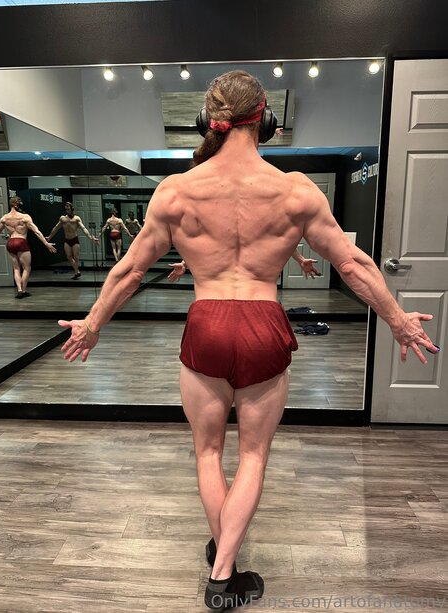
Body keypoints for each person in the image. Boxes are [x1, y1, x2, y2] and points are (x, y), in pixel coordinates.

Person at [59, 70, 438, 611]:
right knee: (254, 455)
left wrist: (93, 324)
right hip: (263, 323)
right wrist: (398, 320)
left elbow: (129, 271)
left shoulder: (176, 191)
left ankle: (225, 560)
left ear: (205, 121)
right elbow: (352, 263)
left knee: (208, 452)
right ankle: (223, 575)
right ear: (267, 120)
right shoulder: (296, 190)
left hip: (207, 323)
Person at [0, 196, 56, 298]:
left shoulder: (4, 218)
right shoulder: (25, 217)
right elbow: (36, 231)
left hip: (10, 242)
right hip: (21, 242)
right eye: (20, 202)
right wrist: (46, 243)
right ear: (16, 204)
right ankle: (23, 291)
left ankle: (19, 290)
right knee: (26, 268)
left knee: (16, 268)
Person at [167, 248, 320, 282]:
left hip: (257, 283)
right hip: (224, 283)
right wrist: (184, 262)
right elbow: (203, 245)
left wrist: (300, 259)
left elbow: (284, 242)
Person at [46, 202, 99, 279]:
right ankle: (77, 271)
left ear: (71, 208)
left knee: (76, 257)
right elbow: (56, 228)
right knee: (69, 257)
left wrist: (91, 237)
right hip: (67, 240)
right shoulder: (63, 218)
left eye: (68, 207)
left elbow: (83, 228)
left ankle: (76, 272)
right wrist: (49, 237)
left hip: (75, 239)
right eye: (66, 207)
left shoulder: (76, 218)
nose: (67, 208)